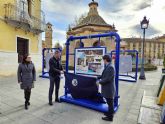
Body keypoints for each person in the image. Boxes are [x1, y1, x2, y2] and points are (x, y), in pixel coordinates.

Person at [97, 55, 116, 121]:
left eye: (103, 60)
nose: (103, 61)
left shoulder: (110, 67)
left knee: (110, 103)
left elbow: (108, 79)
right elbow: (104, 75)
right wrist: (98, 77)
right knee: (109, 102)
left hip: (109, 89)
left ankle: (110, 117)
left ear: (105, 60)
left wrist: (99, 82)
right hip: (108, 88)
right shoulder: (109, 66)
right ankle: (109, 113)